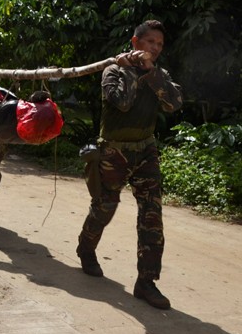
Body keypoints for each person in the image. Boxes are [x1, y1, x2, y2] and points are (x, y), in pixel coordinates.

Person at [76, 20, 183, 310]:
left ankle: (146, 282)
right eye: (151, 42)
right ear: (136, 43)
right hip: (114, 153)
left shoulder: (158, 73)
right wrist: (131, 71)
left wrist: (152, 73)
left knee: (152, 216)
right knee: (104, 207)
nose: (155, 49)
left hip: (146, 151)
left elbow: (174, 103)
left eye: (160, 45)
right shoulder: (113, 70)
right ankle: (86, 249)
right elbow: (121, 102)